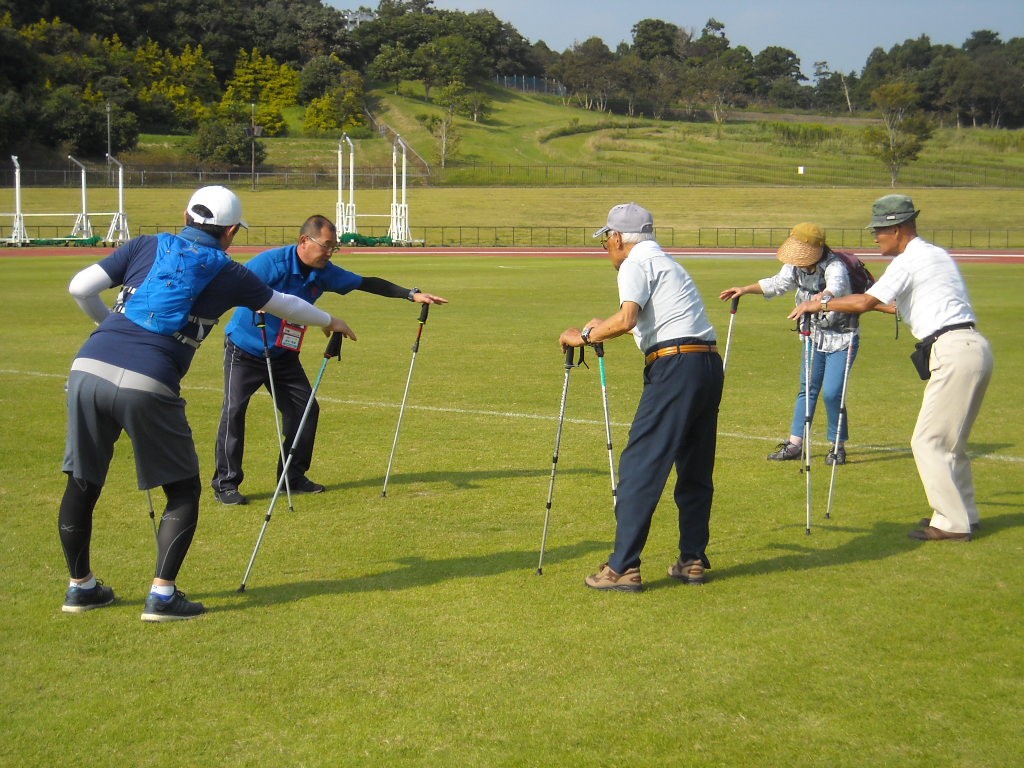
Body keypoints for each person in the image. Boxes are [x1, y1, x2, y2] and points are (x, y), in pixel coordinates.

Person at [61, 186, 356, 621]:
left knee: (82, 481)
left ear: (186, 214)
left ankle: (80, 588)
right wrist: (331, 320)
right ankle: (162, 596)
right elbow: (286, 305)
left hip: (87, 366)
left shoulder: (145, 243)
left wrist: (111, 327)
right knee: (182, 489)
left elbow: (80, 287)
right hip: (150, 377)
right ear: (232, 231)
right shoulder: (228, 271)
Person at [789, 194, 993, 541]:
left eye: (880, 231)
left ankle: (951, 522)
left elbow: (865, 302)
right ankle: (967, 515)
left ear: (897, 229)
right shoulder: (936, 255)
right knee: (950, 444)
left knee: (927, 442)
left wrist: (819, 302)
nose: (876, 237)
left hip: (953, 350)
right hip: (974, 348)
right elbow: (896, 304)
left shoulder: (908, 261)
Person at [210, 215, 447, 505]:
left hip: (284, 354)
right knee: (234, 412)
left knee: (306, 411)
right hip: (245, 349)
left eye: (334, 247)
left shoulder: (324, 271)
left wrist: (411, 295)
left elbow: (365, 282)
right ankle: (226, 484)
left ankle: (292, 478)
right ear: (304, 242)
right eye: (327, 246)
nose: (330, 253)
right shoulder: (269, 264)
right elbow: (238, 289)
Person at [559, 202, 723, 591]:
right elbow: (651, 320)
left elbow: (629, 317)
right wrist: (604, 324)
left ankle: (622, 567)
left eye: (606, 242)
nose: (607, 249)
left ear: (617, 238)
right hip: (706, 364)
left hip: (675, 368)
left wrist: (582, 336)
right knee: (695, 466)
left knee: (639, 465)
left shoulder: (634, 263)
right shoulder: (666, 261)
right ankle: (692, 559)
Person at [720, 223, 862, 465]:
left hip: (842, 337)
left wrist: (821, 298)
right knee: (807, 389)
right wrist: (745, 289)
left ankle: (837, 446)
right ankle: (795, 444)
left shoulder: (835, 266)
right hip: (813, 334)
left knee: (832, 392)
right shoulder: (795, 266)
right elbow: (777, 283)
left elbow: (835, 288)